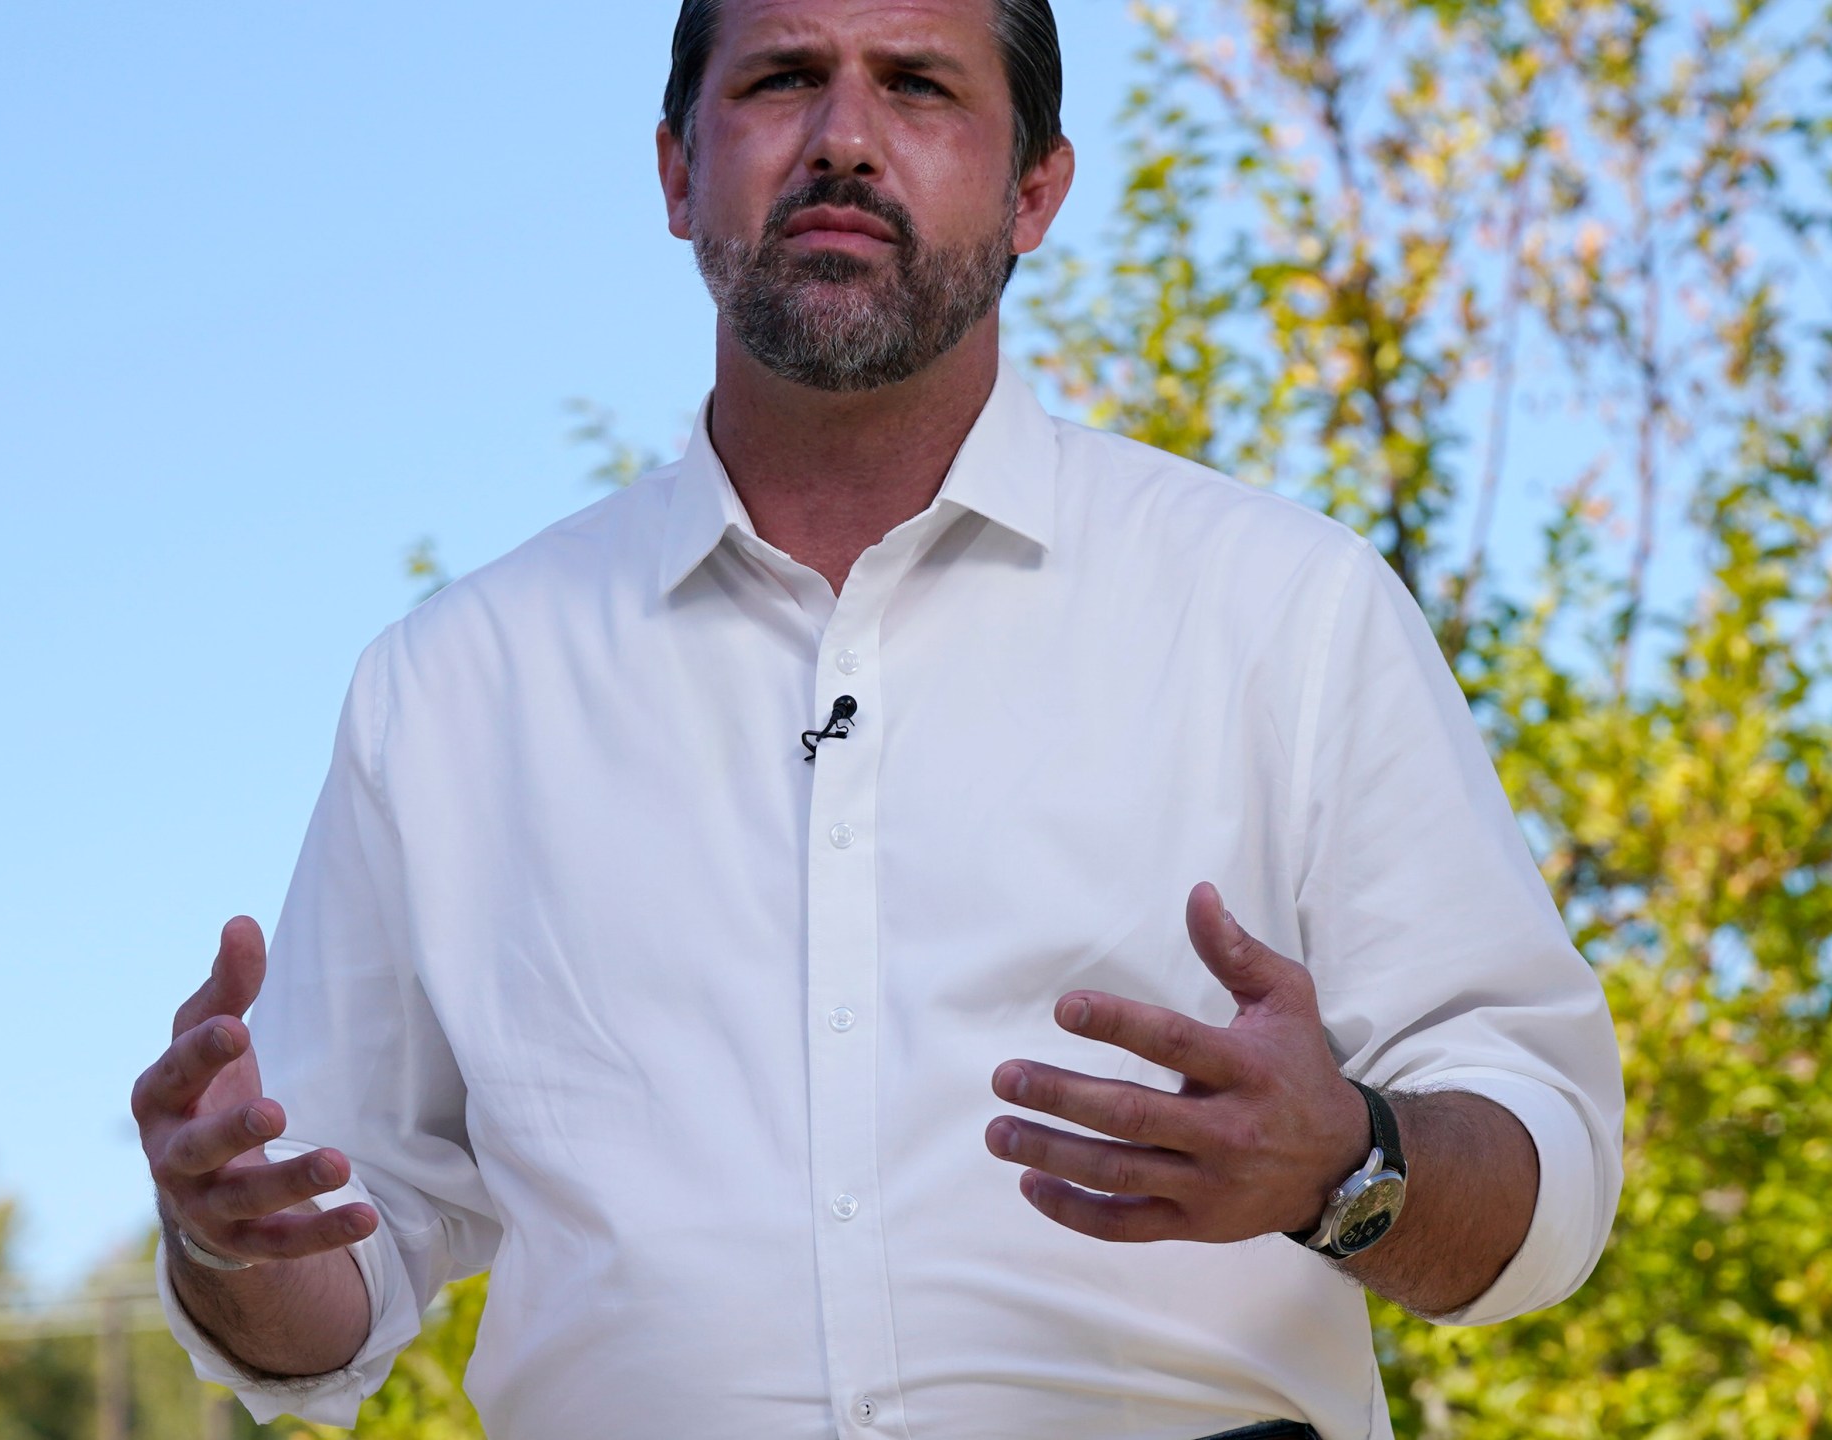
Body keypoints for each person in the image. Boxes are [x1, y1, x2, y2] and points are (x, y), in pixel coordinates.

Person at [127, 1, 1624, 1435]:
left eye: (920, 84)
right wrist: (224, 1241)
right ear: (674, 172)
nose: (845, 136)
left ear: (1037, 191)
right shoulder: (449, 691)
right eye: (781, 78)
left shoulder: (1284, 610)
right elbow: (321, 1288)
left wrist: (1348, 1167)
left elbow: (1546, 1174)